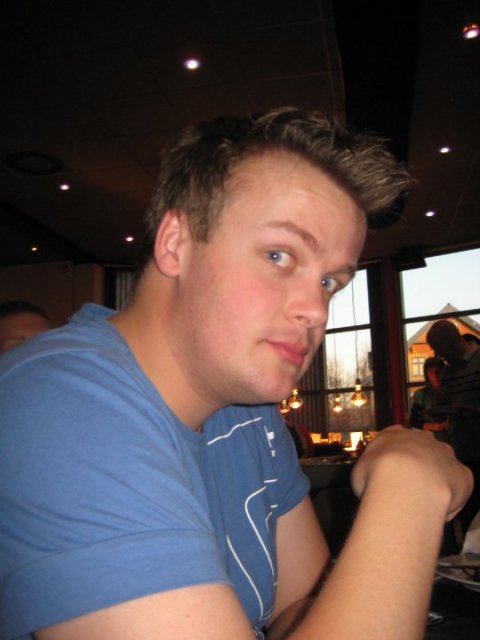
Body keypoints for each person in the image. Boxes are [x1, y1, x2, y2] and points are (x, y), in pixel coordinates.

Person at [0, 108, 472, 640]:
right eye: (279, 255)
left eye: (330, 283)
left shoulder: (248, 412)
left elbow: (298, 607)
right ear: (176, 243)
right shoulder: (58, 407)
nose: (316, 310)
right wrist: (408, 491)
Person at [427, 319, 480, 534]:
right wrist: (441, 403)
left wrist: (473, 412)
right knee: (469, 522)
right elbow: (447, 406)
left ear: (450, 341)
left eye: (437, 347)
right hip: (463, 454)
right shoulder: (449, 372)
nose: (437, 354)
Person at [409, 356, 449, 441]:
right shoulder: (421, 395)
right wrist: (433, 426)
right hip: (429, 439)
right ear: (427, 375)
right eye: (431, 373)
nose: (435, 376)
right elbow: (413, 421)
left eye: (438, 372)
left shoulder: (452, 392)